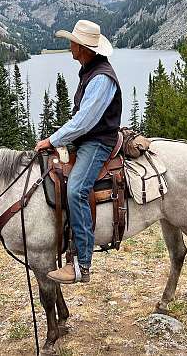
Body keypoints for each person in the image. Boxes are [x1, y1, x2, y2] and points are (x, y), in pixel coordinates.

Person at [35, 19, 122, 284]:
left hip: (97, 142)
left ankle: (82, 264)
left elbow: (85, 121)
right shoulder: (89, 69)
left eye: (73, 42)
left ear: (83, 48)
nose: (70, 46)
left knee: (76, 188)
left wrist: (53, 139)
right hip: (86, 139)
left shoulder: (101, 78)